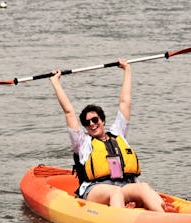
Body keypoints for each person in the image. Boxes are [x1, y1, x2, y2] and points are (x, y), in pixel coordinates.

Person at [50, 59, 173, 212]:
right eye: (87, 123)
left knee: (143, 187)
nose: (92, 124)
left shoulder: (117, 133)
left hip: (124, 185)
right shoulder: (82, 142)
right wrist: (55, 82)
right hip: (95, 189)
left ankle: (164, 217)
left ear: (102, 120)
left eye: (95, 120)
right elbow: (69, 112)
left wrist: (127, 70)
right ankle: (122, 218)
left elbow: (125, 102)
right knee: (116, 193)